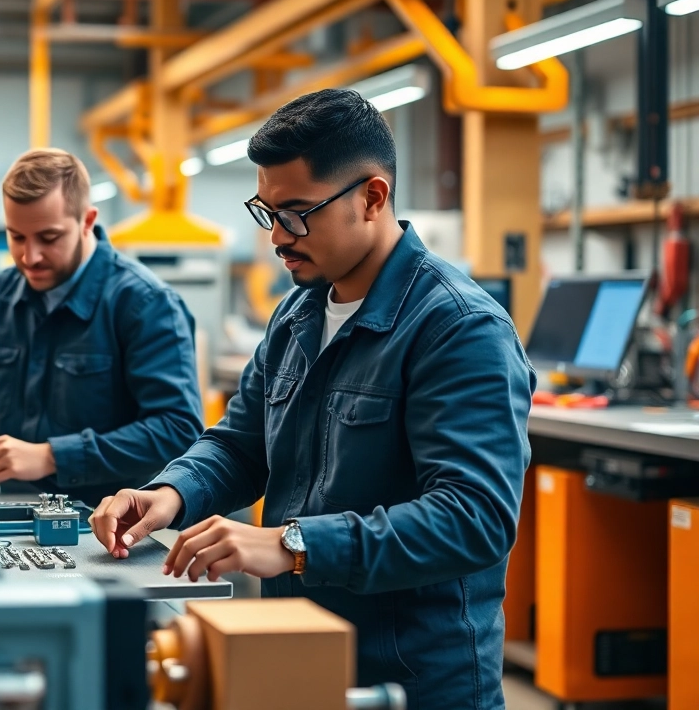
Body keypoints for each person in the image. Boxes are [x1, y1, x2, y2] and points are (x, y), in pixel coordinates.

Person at [90, 89, 534, 708]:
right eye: (267, 211)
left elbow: (473, 519)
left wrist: (293, 544)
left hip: (412, 680)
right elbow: (241, 444)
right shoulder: (299, 313)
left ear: (372, 198)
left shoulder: (458, 329)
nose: (276, 236)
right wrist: (170, 493)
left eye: (297, 213)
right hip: (296, 652)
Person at [0, 148, 204, 507]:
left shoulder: (145, 304)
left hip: (112, 531)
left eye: (48, 238)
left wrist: (52, 457)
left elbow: (176, 429)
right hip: (15, 516)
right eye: (16, 237)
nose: (30, 256)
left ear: (87, 220)